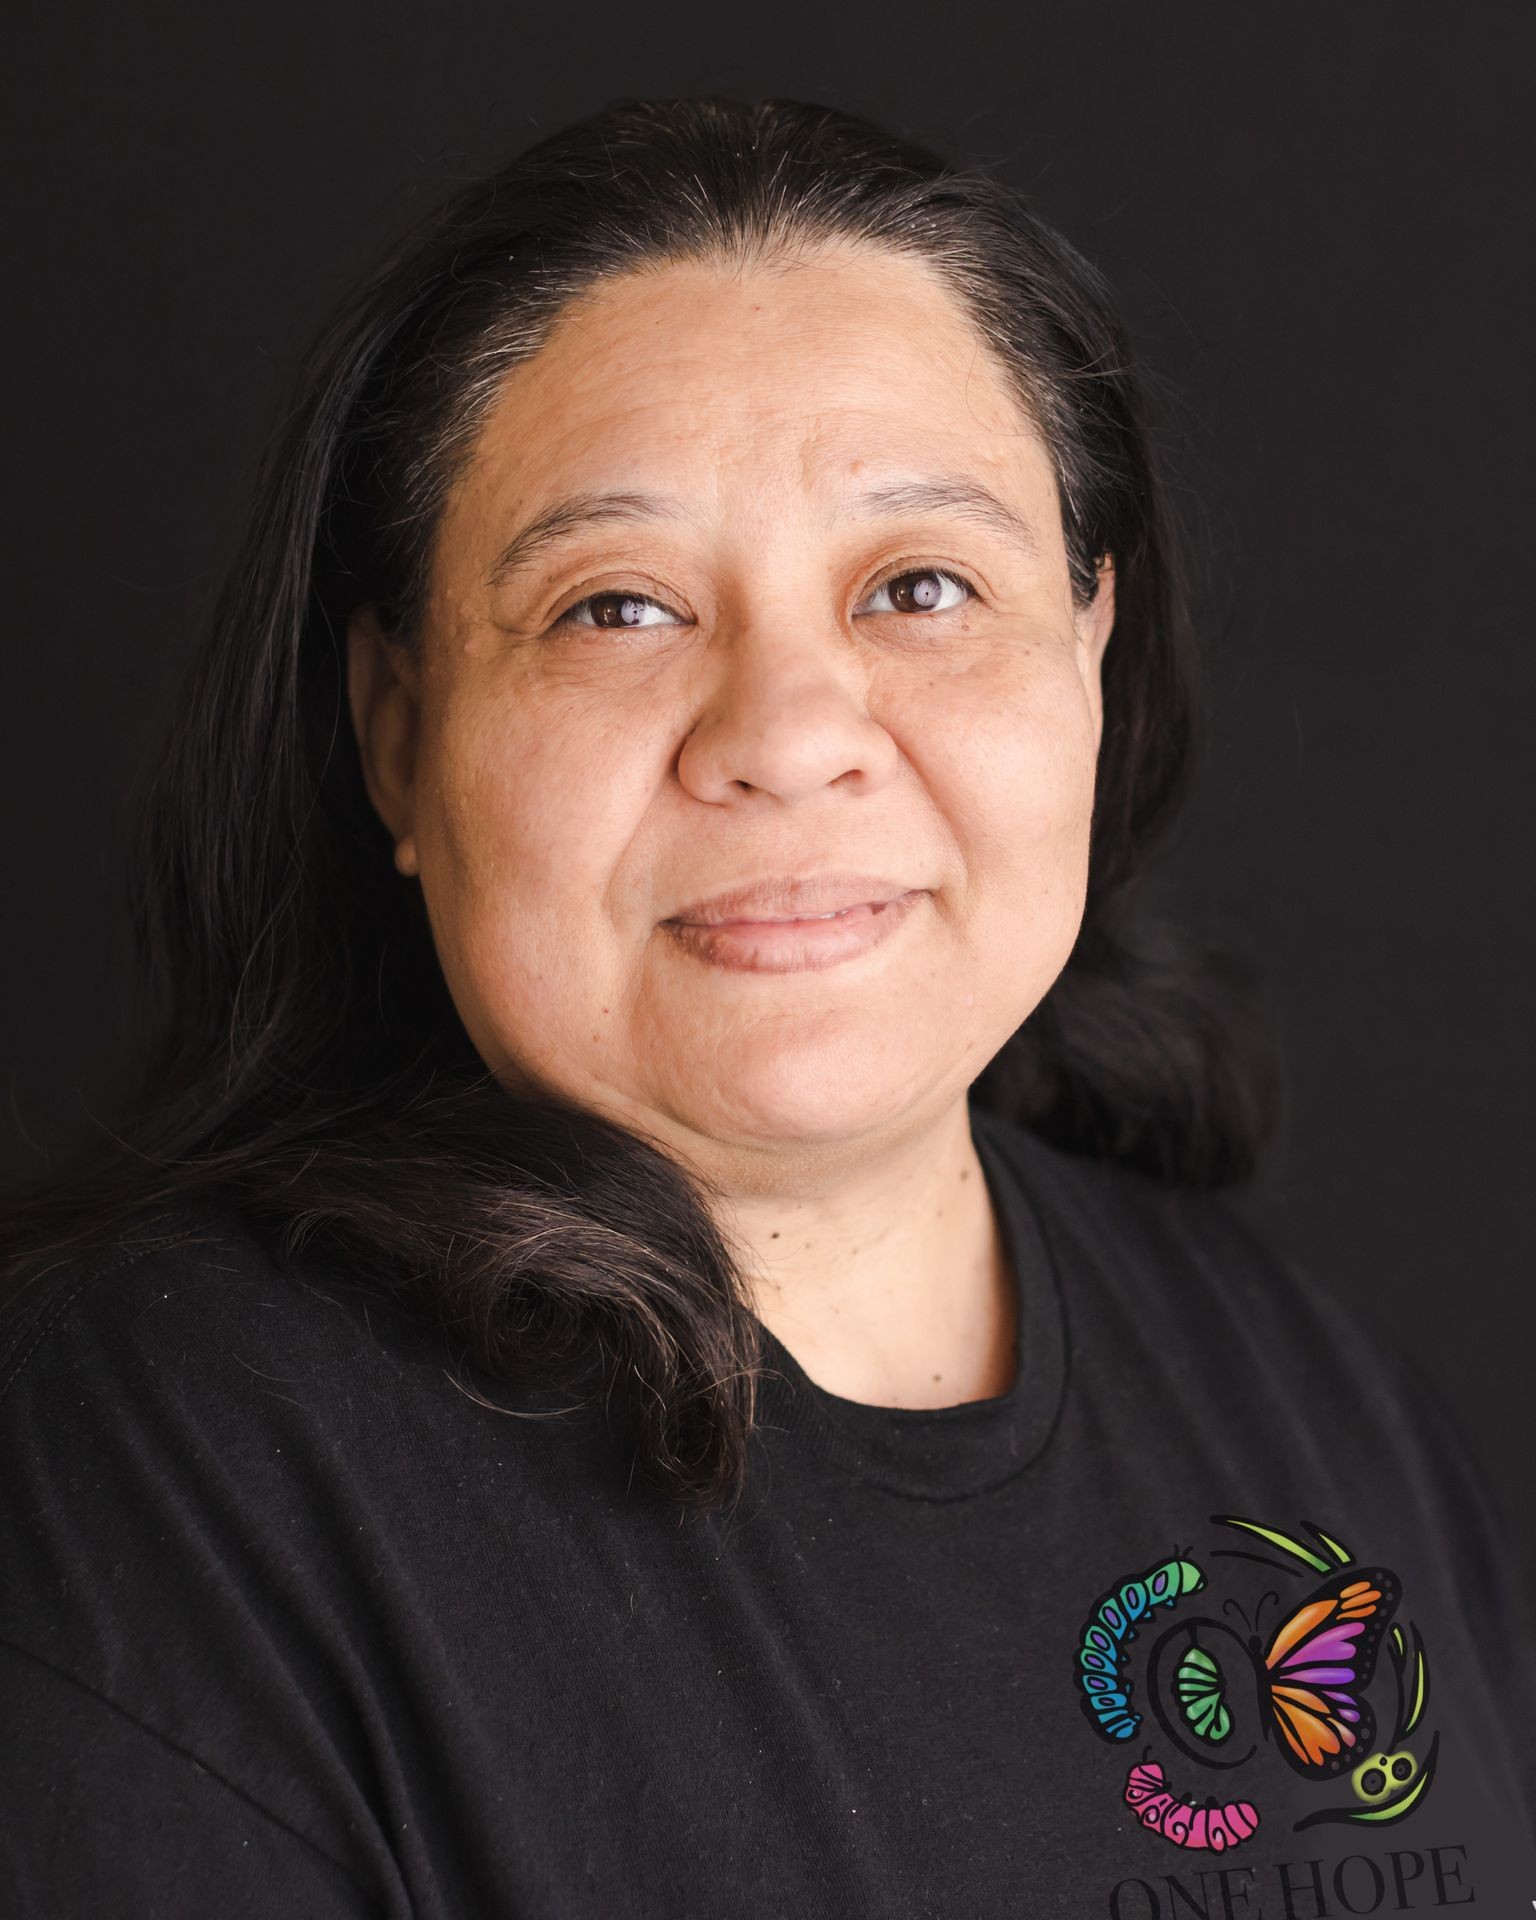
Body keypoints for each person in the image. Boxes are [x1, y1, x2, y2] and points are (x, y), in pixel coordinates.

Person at [1, 94, 1531, 1917]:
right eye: (618, 608)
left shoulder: (1307, 1397)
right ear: (398, 737)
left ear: (1091, 655)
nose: (791, 735)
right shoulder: (147, 1490)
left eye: (922, 585)